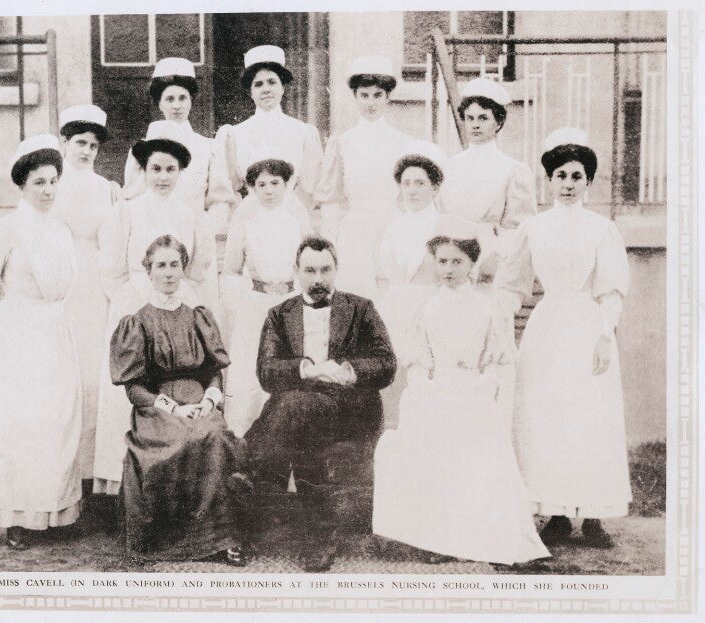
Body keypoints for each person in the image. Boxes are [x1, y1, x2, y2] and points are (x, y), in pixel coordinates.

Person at [373, 221, 549, 565]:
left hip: (473, 392)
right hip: (435, 393)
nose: (449, 269)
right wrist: (427, 385)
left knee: (475, 443)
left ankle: (477, 534)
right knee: (428, 441)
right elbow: (418, 361)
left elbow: (497, 361)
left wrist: (479, 385)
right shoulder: (426, 308)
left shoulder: (486, 308)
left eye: (457, 262)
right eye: (442, 261)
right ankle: (436, 537)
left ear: (471, 265)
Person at [496, 128, 631, 548]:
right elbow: (511, 285)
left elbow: (610, 288)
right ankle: (553, 512)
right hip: (547, 328)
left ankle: (592, 514)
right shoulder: (534, 228)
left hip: (588, 326)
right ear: (549, 181)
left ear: (587, 181)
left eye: (576, 176)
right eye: (560, 176)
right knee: (545, 415)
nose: (568, 184)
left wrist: (605, 334)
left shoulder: (602, 229)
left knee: (590, 417)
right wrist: (501, 323)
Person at [0, 135, 81, 550]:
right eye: (38, 183)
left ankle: (52, 511)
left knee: (56, 420)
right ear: (22, 187)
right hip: (16, 334)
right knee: (20, 424)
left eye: (52, 182)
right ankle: (15, 517)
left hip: (53, 331)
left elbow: (66, 287)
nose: (47, 191)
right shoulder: (5, 229)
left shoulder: (62, 232)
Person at [246, 236, 396, 572]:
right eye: (310, 270)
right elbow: (266, 372)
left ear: (336, 270)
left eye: (325, 270)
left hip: (350, 408)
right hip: (302, 409)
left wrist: (347, 370)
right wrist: (307, 369)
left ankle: (251, 469)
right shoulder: (279, 315)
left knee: (289, 407)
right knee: (299, 410)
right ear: (296, 272)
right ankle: (318, 538)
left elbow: (386, 364)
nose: (318, 279)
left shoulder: (361, 308)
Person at [93, 126, 215, 510]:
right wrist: (133, 305)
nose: (162, 177)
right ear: (143, 171)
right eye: (156, 169)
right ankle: (126, 489)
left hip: (178, 303)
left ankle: (178, 486)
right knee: (132, 389)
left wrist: (177, 300)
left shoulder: (191, 214)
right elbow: (111, 268)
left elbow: (200, 267)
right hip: (133, 303)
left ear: (180, 173)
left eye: (170, 169)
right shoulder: (125, 211)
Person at [110, 235, 249, 565]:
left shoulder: (198, 316)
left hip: (199, 400)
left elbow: (213, 371)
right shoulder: (137, 322)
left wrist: (210, 399)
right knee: (180, 439)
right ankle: (171, 540)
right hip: (157, 407)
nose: (169, 273)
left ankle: (225, 537)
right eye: (161, 266)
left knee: (214, 437)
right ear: (149, 271)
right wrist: (173, 407)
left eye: (175, 265)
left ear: (183, 269)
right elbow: (134, 389)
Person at [439, 77, 537, 430]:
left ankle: (491, 433)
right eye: (470, 117)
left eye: (484, 118)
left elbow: (520, 229)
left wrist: (492, 261)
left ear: (498, 122)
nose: (476, 125)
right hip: (452, 260)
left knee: (490, 345)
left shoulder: (513, 170)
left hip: (491, 266)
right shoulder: (450, 166)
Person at [314, 56, 427, 299]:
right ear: (355, 96)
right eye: (364, 95)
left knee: (391, 295)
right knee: (356, 295)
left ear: (388, 97)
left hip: (393, 227)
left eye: (378, 95)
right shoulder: (342, 142)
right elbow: (332, 201)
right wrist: (329, 242)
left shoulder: (404, 143)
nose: (371, 103)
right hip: (356, 230)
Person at [52, 104, 119, 498]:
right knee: (66, 377)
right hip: (62, 283)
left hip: (97, 286)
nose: (86, 151)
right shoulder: (51, 185)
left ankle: (94, 477)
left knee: (97, 378)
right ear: (64, 142)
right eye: (80, 142)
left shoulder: (107, 189)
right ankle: (62, 482)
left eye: (93, 145)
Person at [221, 159, 312, 437]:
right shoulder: (246, 227)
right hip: (257, 307)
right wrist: (245, 303)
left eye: (275, 183)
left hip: (291, 304)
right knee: (251, 374)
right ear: (252, 189)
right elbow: (231, 272)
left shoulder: (298, 226)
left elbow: (309, 266)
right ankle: (246, 441)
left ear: (286, 186)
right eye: (261, 185)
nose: (268, 190)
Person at [122, 57, 234, 237]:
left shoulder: (207, 148)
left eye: (182, 98)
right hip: (152, 239)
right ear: (159, 103)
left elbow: (220, 202)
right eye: (169, 99)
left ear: (191, 100)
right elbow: (132, 199)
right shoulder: (142, 151)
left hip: (196, 237)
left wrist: (202, 235)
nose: (176, 106)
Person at [375, 142, 445, 427]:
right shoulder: (392, 227)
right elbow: (382, 275)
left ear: (435, 188)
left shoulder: (443, 226)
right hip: (393, 308)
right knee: (391, 381)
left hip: (432, 308)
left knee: (426, 380)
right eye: (406, 183)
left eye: (420, 183)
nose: (413, 190)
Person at [214, 45, 323, 217]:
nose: (266, 89)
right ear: (251, 92)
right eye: (258, 84)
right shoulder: (234, 134)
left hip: (292, 216)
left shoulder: (303, 132)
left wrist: (291, 214)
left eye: (272, 82)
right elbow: (231, 187)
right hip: (251, 218)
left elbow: (311, 187)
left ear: (283, 88)